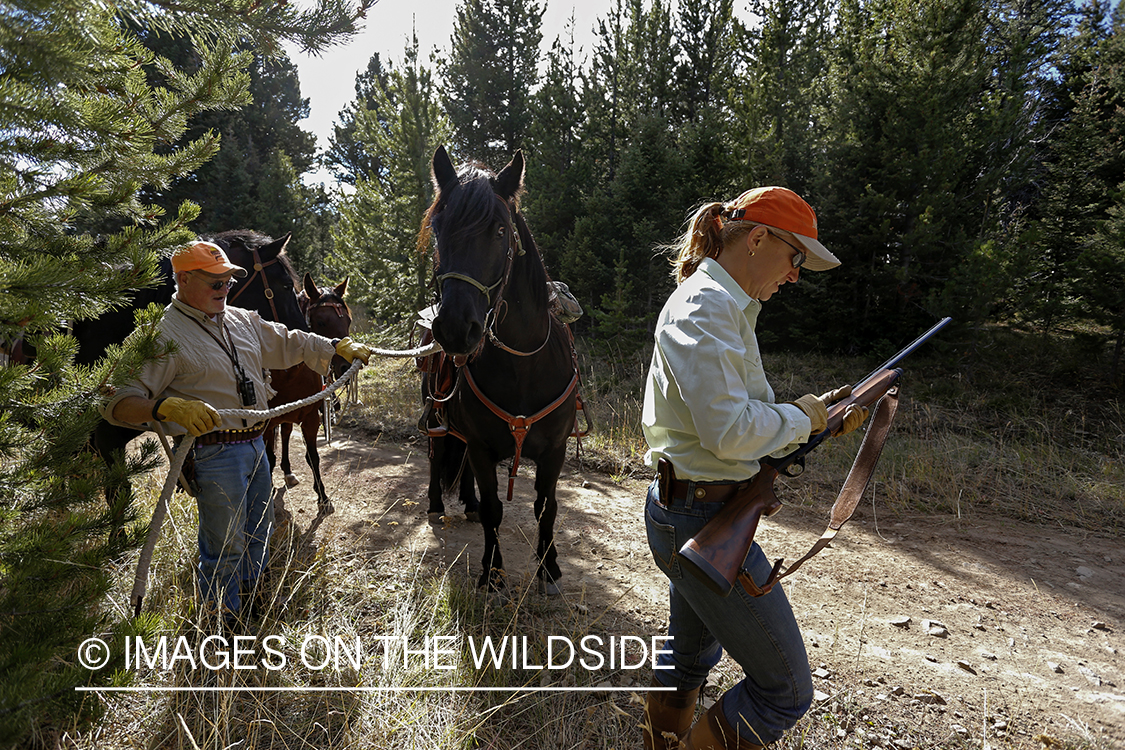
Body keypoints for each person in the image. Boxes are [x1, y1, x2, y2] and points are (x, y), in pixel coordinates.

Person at [641, 187, 868, 750]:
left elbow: (741, 421)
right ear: (759, 237)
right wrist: (802, 418)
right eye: (795, 257)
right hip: (699, 516)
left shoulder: (727, 307)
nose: (795, 275)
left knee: (687, 660)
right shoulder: (708, 307)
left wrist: (815, 422)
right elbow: (730, 432)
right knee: (784, 692)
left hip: (695, 510)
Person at [103, 240, 371, 628]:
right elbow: (115, 400)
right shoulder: (159, 334)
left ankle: (248, 605)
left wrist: (335, 347)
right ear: (183, 280)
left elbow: (289, 340)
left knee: (258, 535)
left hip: (256, 447)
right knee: (225, 547)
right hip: (213, 455)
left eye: (228, 281)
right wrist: (164, 408)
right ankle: (221, 624)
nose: (224, 289)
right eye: (215, 282)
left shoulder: (242, 320)